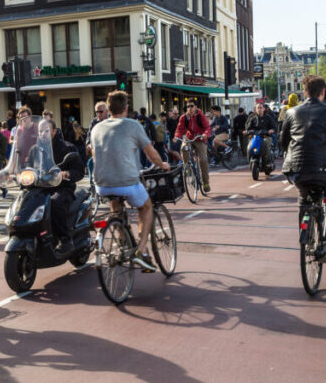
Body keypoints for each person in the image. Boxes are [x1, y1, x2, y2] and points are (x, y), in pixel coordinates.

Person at [90, 90, 170, 272]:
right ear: (126, 108)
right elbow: (151, 153)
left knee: (115, 202)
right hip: (127, 181)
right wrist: (163, 164)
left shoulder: (96, 128)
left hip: (101, 184)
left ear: (108, 109)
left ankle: (121, 237)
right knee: (146, 207)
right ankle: (141, 251)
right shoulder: (133, 125)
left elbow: (95, 154)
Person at [279, 75, 326, 256]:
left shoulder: (291, 113)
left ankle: (305, 237)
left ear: (304, 92)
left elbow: (283, 141)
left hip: (297, 170)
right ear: (323, 92)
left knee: (304, 200)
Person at [42, 118, 85, 254]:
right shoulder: (35, 149)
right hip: (40, 187)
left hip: (62, 187)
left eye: (46, 131)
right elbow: (26, 165)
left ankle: (65, 240)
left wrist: (67, 173)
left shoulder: (67, 148)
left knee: (54, 202)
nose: (43, 134)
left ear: (54, 132)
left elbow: (79, 171)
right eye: (40, 131)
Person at [174, 101, 212, 193]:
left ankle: (206, 183)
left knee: (203, 160)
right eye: (188, 106)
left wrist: (205, 134)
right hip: (189, 137)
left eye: (192, 106)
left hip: (200, 139)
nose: (190, 108)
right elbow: (180, 129)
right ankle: (187, 167)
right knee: (183, 147)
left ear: (195, 107)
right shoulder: (184, 117)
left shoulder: (201, 116)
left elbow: (207, 128)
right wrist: (176, 137)